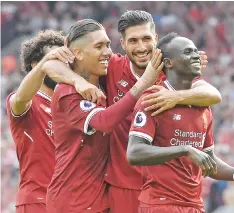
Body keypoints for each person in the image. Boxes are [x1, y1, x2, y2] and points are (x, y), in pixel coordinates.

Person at [42, 10, 222, 213]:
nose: (141, 47)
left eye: (146, 39)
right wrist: (77, 80)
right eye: (133, 41)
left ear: (155, 39)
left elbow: (212, 94)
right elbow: (50, 65)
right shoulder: (110, 67)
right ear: (123, 44)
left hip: (164, 193)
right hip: (123, 187)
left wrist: (175, 97)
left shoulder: (171, 71)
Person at [46, 19, 164, 213]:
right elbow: (105, 122)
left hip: (100, 197)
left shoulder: (102, 80)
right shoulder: (68, 93)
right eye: (99, 46)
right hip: (71, 200)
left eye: (108, 44)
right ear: (78, 53)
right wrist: (144, 83)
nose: (108, 52)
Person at [127, 32, 234, 213]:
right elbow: (134, 152)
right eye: (187, 52)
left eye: (195, 50)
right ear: (169, 63)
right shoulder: (154, 99)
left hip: (194, 204)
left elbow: (208, 161)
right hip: (161, 203)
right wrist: (185, 149)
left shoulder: (203, 106)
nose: (196, 55)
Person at [6, 29, 104, 213]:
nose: (63, 66)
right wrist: (46, 62)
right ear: (36, 64)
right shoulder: (28, 102)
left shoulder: (75, 105)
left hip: (73, 203)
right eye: (56, 60)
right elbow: (19, 99)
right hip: (38, 201)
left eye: (66, 61)